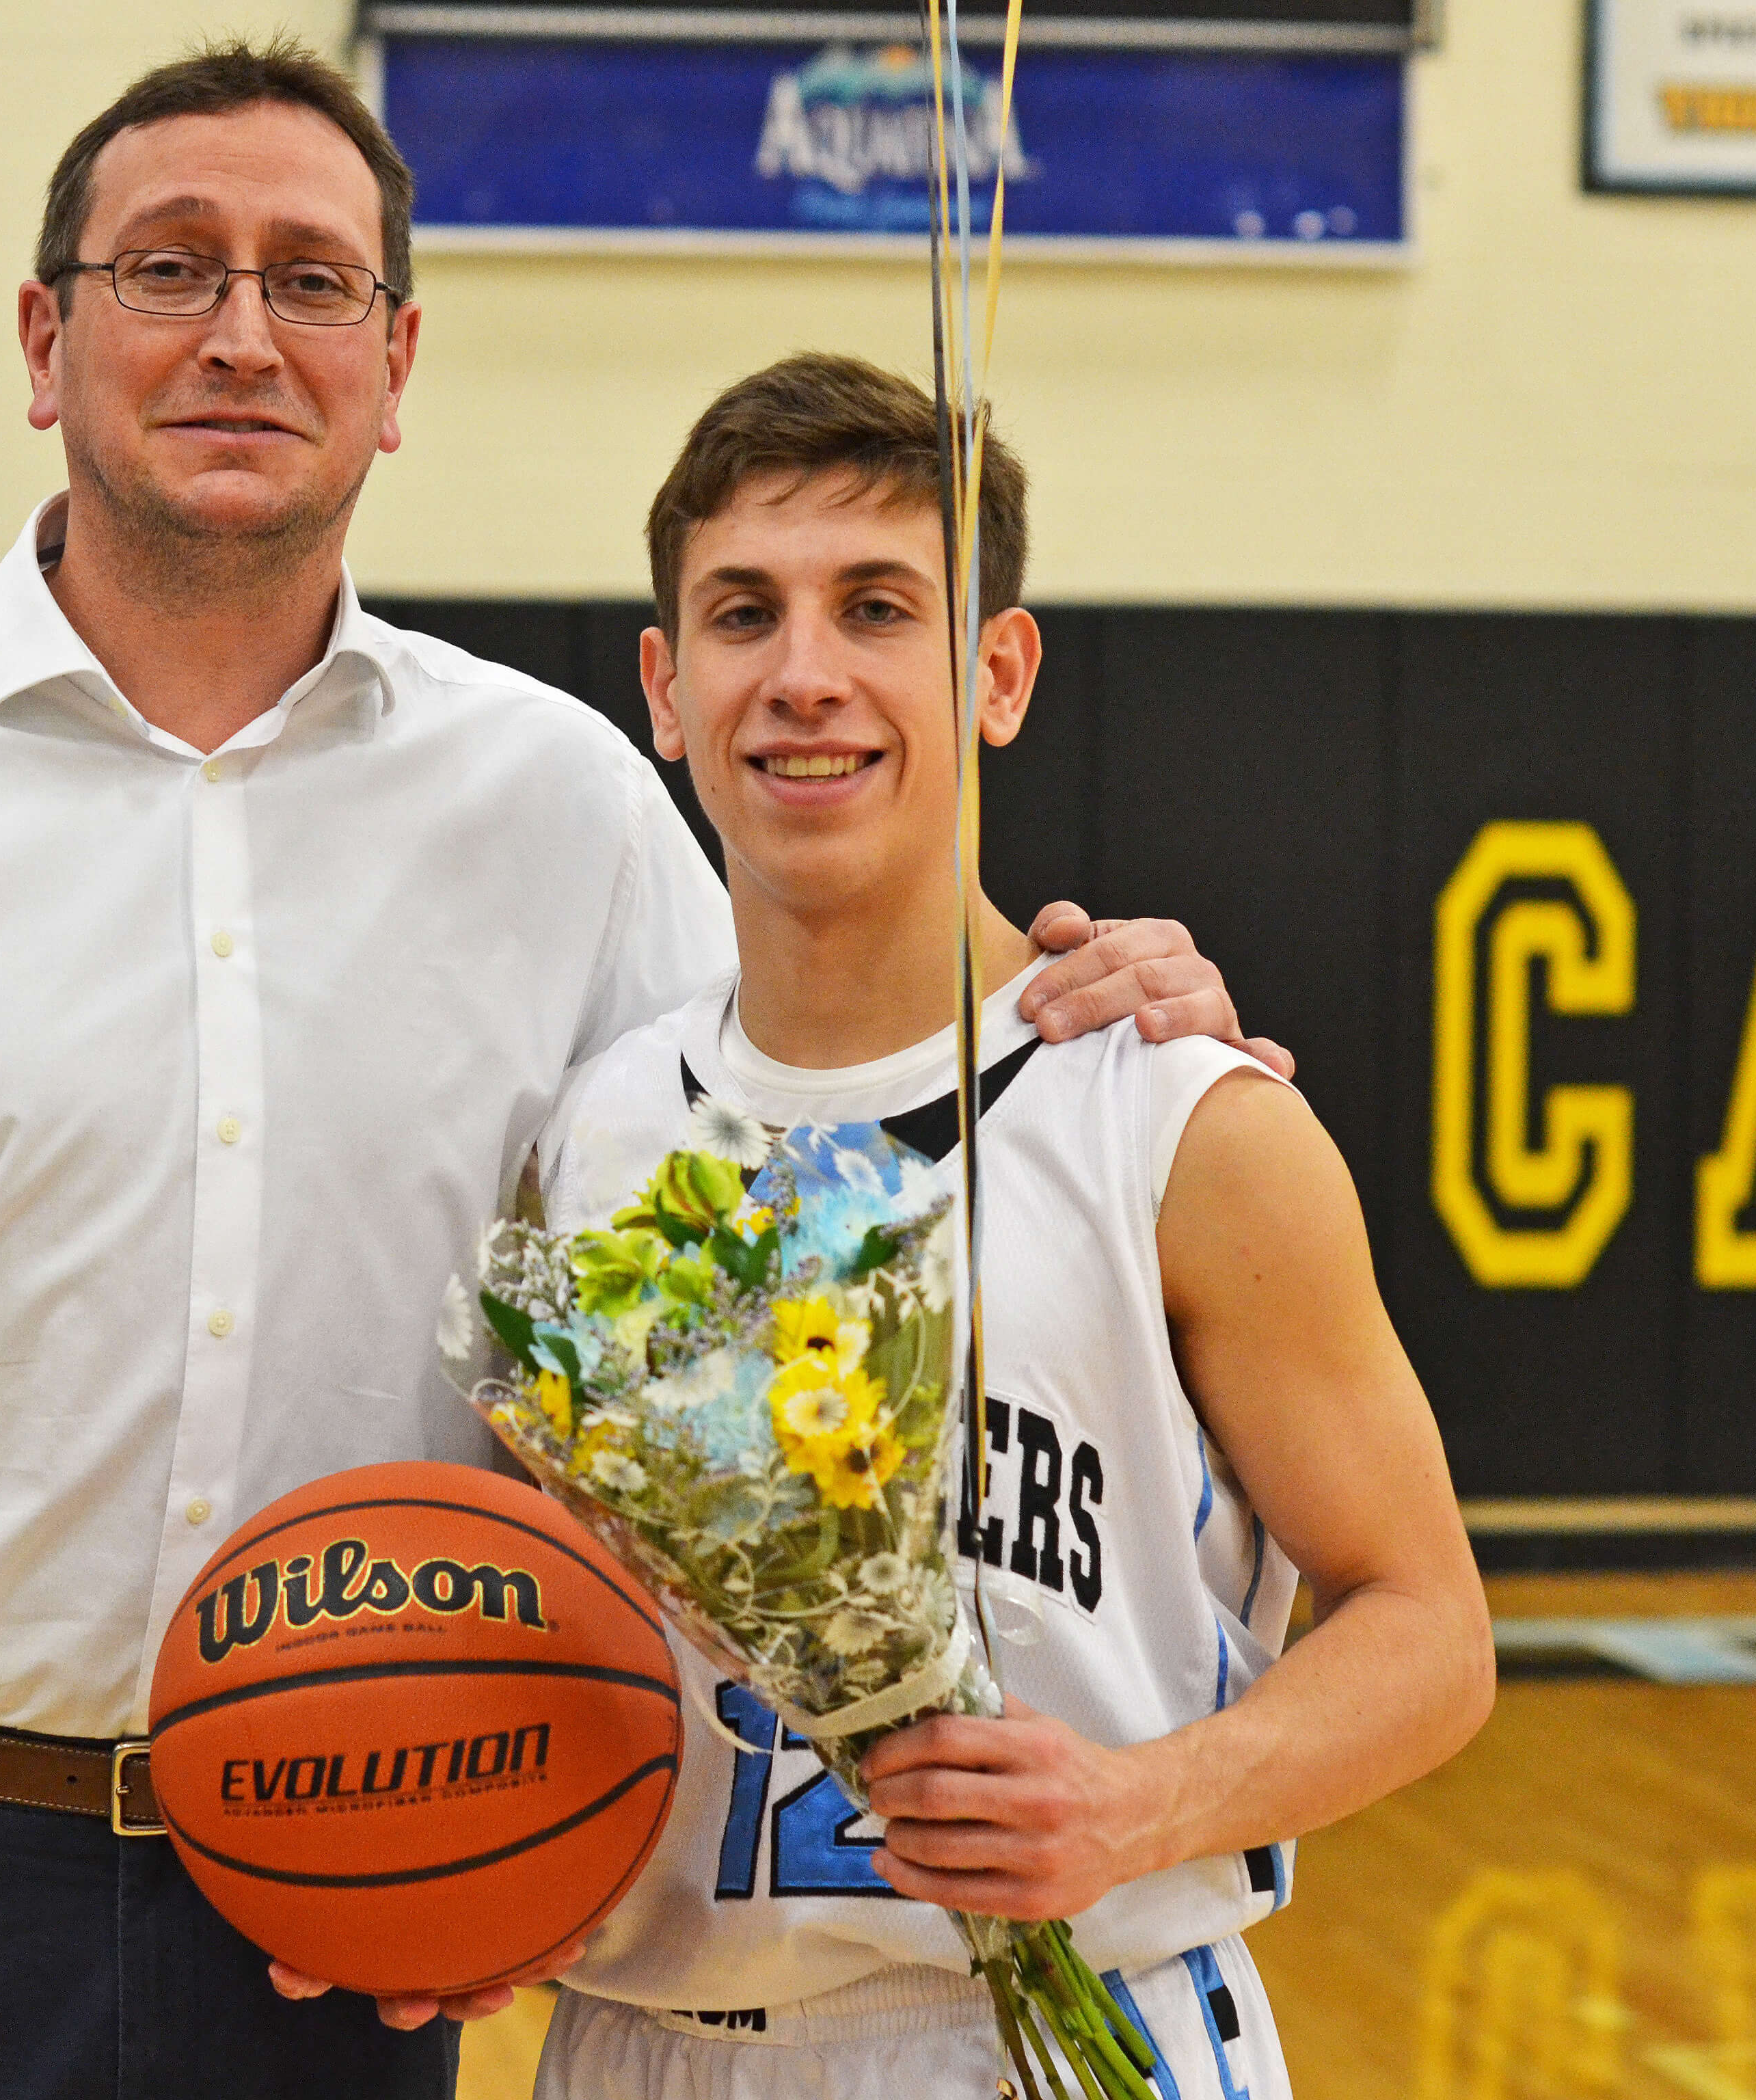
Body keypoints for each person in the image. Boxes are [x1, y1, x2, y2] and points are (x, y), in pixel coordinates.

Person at [0, 44, 1278, 2100]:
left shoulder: (564, 808)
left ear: (395, 366)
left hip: (360, 1902)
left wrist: (1072, 999)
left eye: (310, 282)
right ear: (46, 339)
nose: (240, 333)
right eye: (169, 269)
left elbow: (804, 1176)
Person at [487, 354, 1497, 2098]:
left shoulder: (1181, 1118)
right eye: (744, 615)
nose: (804, 676)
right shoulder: (593, 1137)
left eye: (878, 608)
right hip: (639, 2047)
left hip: (1063, 2042)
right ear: (665, 686)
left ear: (998, 671)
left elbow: (1431, 1631)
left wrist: (1138, 1806)